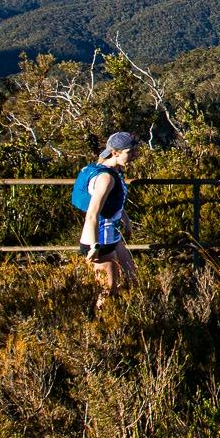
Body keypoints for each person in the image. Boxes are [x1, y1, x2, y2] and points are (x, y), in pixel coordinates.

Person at [73, 131, 139, 307]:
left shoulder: (113, 172)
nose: (134, 156)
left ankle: (122, 318)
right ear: (115, 152)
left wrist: (126, 220)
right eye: (130, 152)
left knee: (131, 278)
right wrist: (94, 246)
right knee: (107, 289)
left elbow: (113, 202)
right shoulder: (106, 178)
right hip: (100, 239)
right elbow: (93, 213)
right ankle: (100, 326)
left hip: (112, 236)